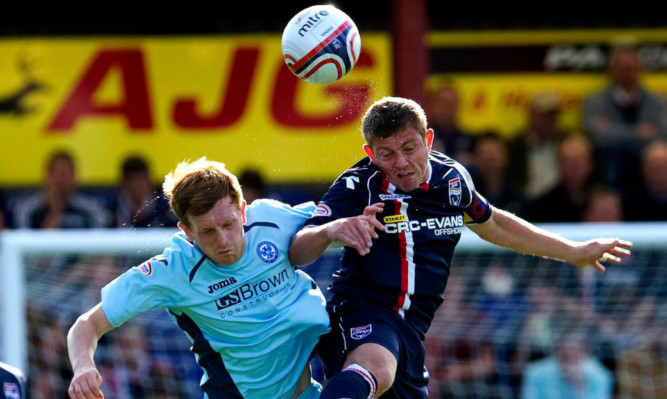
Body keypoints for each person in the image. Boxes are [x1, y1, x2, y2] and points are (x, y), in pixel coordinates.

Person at [288, 97, 633, 399]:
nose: (402, 163)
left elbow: (494, 224)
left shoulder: (452, 179)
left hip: (412, 330)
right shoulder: (357, 185)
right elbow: (298, 250)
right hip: (363, 308)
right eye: (387, 154)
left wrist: (573, 251)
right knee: (377, 367)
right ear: (370, 154)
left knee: (386, 371)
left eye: (409, 148)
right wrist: (333, 229)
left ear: (429, 140)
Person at [67, 157, 330, 399]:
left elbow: (334, 221)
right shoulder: (173, 271)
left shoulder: (271, 219)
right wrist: (82, 368)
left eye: (228, 224)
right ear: (187, 231)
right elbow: (87, 325)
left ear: (242, 210)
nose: (223, 240)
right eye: (207, 231)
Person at [582, 44, 667, 194]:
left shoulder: (657, 101)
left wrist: (612, 130)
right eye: (622, 69)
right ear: (611, 71)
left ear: (640, 70)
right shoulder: (594, 101)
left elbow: (662, 135)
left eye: (631, 68)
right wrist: (639, 132)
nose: (627, 74)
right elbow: (599, 137)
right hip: (609, 174)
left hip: (649, 178)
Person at [12, 150, 110, 229]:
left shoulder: (91, 210)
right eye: (55, 173)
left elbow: (101, 246)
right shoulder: (27, 210)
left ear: (74, 178)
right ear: (46, 176)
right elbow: (22, 247)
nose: (60, 179)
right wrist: (53, 215)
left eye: (64, 174)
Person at [507, 90, 568, 200]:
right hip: (526, 202)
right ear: (531, 116)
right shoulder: (516, 145)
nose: (549, 120)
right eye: (544, 115)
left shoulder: (567, 143)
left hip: (560, 204)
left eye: (553, 115)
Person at [523, 135, 600, 223]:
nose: (574, 166)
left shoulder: (607, 203)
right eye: (569, 160)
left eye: (580, 160)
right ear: (558, 163)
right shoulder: (543, 207)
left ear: (590, 163)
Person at [520, 328, 613, 399]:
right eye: (565, 350)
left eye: (575, 349)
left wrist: (579, 386)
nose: (570, 353)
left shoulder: (600, 375)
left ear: (585, 350)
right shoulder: (536, 372)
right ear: (557, 348)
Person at [113, 155, 177, 228]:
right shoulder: (112, 209)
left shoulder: (166, 208)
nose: (137, 186)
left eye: (141, 181)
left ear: (150, 181)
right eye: (133, 181)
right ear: (123, 184)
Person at [471, 131, 525, 215]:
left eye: (494, 156)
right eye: (483, 155)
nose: (489, 161)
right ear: (475, 158)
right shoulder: (467, 195)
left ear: (506, 157)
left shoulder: (519, 193)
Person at [425, 85, 474, 167]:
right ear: (432, 106)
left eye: (452, 104)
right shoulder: (422, 138)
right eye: (444, 103)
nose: (448, 109)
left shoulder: (469, 141)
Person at [623, 139, 667, 221]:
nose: (660, 173)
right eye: (655, 167)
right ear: (643, 169)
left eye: (664, 166)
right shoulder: (630, 204)